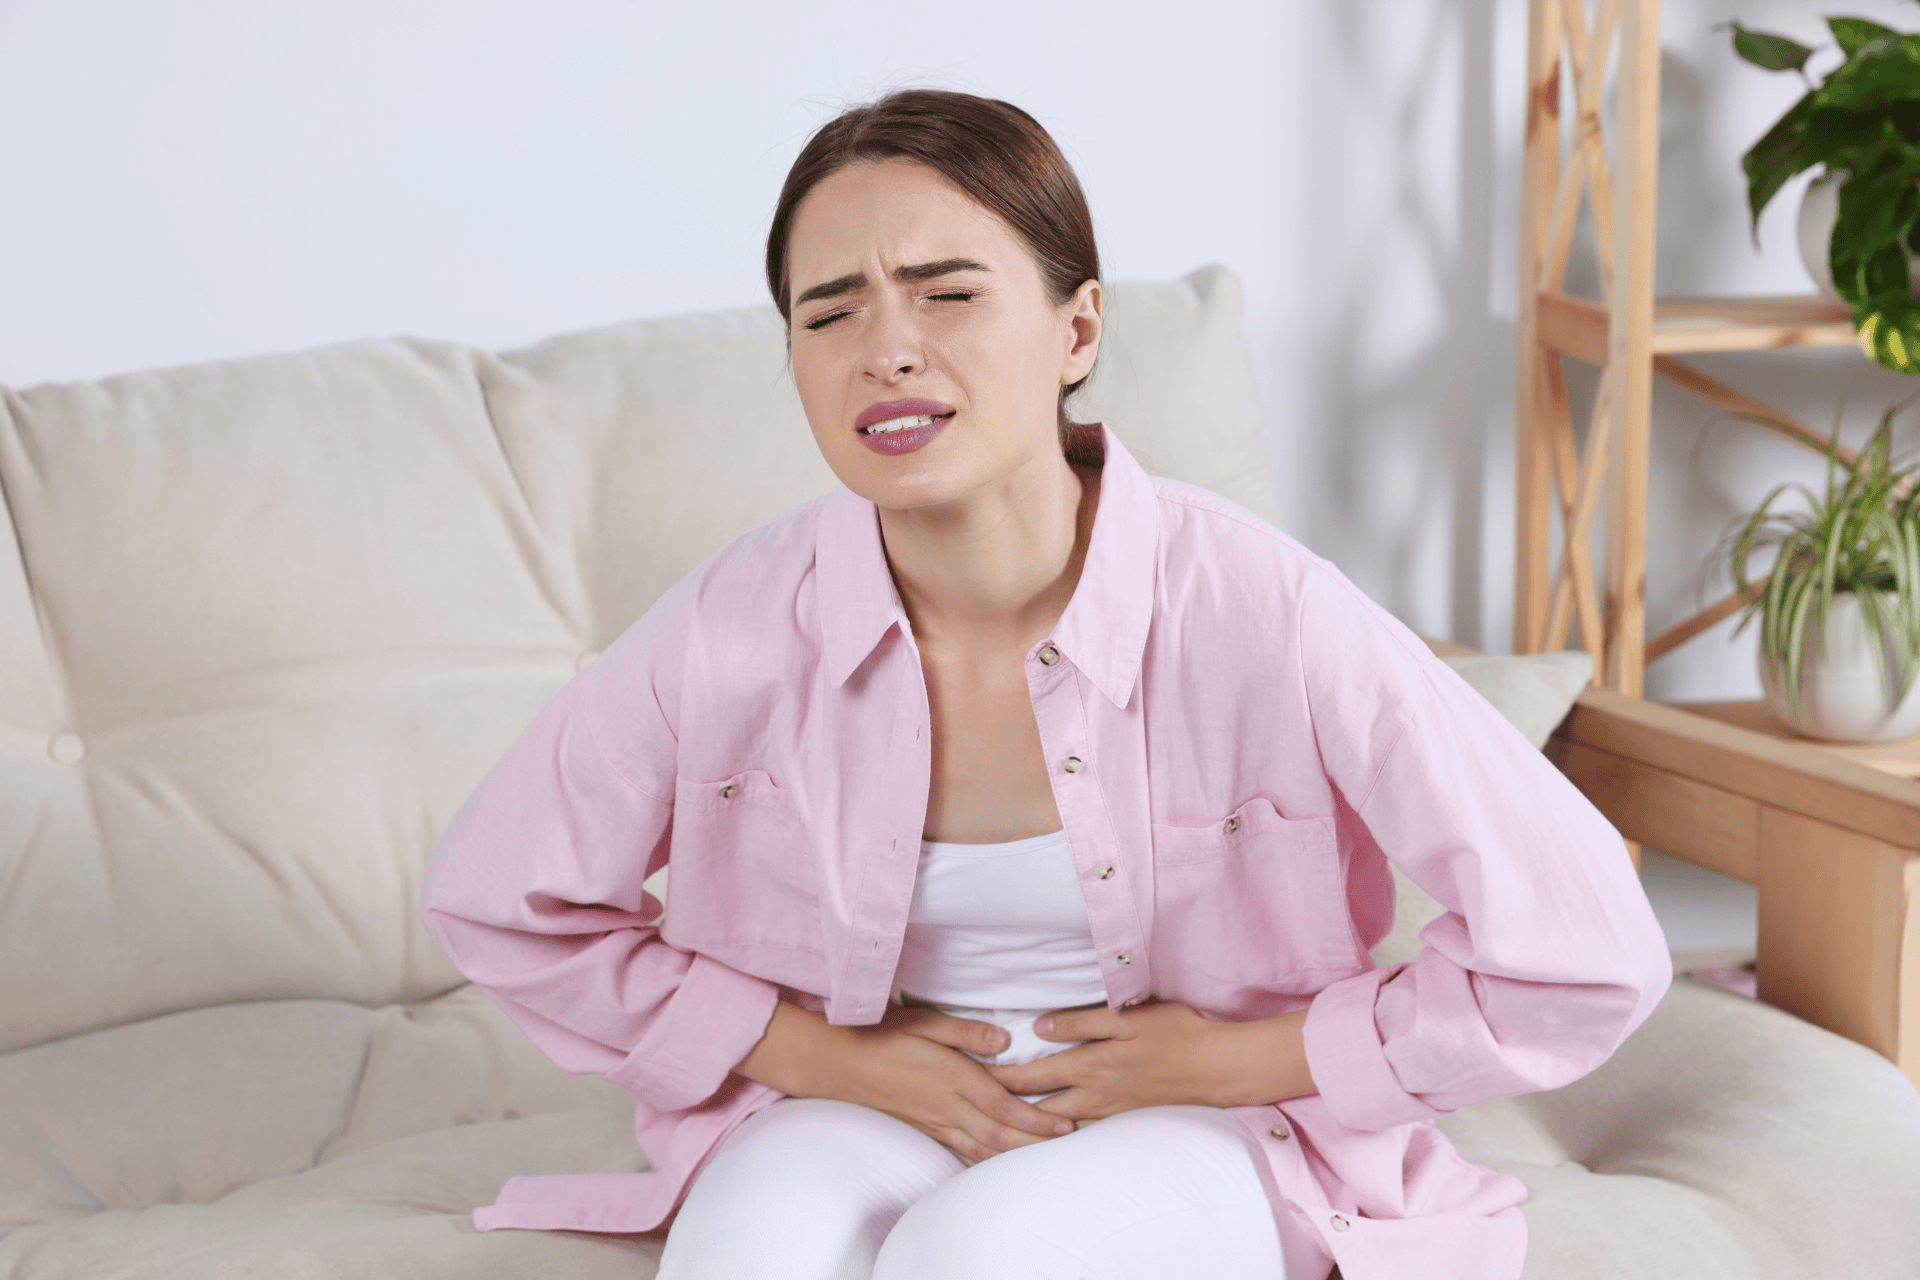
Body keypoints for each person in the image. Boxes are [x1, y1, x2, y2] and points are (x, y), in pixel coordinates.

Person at [421, 89, 1672, 1280]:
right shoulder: (735, 620)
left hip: (1218, 1115)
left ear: (1077, 328)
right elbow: (502, 894)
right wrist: (822, 1056)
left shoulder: (1262, 607)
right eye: (830, 311)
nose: (886, 350)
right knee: (752, 1249)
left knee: (972, 1256)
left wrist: (1236, 1055)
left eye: (947, 292)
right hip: (865, 1096)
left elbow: (1585, 946)